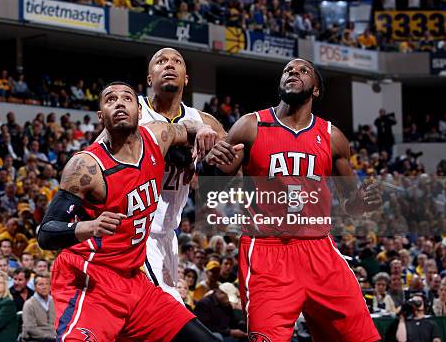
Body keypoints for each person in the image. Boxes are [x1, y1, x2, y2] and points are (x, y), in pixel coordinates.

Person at [205, 58, 382, 341]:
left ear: (315, 90)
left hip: (319, 249)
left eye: (303, 71)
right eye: (288, 70)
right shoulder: (251, 125)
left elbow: (350, 204)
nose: (293, 73)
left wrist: (362, 202)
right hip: (267, 251)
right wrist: (212, 163)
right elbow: (216, 179)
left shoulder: (332, 136)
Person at [37, 81, 221, 341]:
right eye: (110, 99)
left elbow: (186, 128)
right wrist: (89, 227)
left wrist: (202, 127)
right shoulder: (86, 166)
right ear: (101, 116)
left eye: (127, 98)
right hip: (91, 280)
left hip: (135, 282)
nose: (120, 103)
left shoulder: (158, 136)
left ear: (139, 110)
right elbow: (46, 233)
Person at [134, 48, 227, 303]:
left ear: (186, 78)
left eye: (177, 61)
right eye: (161, 61)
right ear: (150, 78)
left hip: (167, 235)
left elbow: (234, 168)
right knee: (169, 306)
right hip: (135, 230)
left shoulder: (205, 120)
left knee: (152, 318)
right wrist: (190, 137)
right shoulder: (134, 111)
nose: (169, 65)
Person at [22, 273, 56, 342]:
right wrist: (51, 336)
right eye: (41, 284)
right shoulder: (29, 304)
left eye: (47, 284)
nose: (44, 287)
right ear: (35, 287)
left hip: (54, 337)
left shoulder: (55, 302)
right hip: (35, 339)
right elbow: (30, 328)